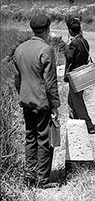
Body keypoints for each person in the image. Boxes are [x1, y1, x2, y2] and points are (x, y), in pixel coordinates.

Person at [14, 14, 60, 189]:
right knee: (44, 138)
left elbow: (17, 79)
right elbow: (50, 82)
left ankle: (30, 176)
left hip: (26, 100)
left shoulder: (20, 49)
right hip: (42, 101)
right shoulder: (46, 49)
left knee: (30, 137)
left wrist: (22, 94)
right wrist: (55, 105)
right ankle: (42, 179)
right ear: (47, 29)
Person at [63, 17, 95, 134]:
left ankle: (87, 124)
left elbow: (69, 56)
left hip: (76, 75)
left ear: (70, 30)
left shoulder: (74, 43)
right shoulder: (83, 40)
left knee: (77, 101)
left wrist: (67, 45)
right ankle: (75, 124)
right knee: (71, 100)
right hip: (82, 74)